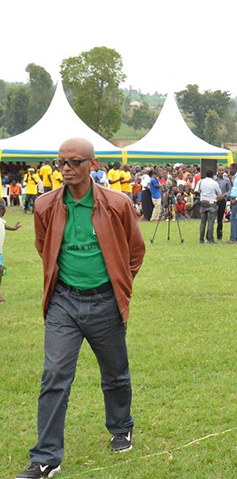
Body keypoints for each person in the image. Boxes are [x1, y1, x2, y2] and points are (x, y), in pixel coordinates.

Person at [18, 138, 145, 479]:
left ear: (94, 164)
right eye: (62, 162)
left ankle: (121, 426)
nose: (66, 169)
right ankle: (46, 458)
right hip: (64, 302)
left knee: (115, 373)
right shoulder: (45, 206)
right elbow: (44, 248)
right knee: (55, 376)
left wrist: (119, 281)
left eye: (75, 162)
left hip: (106, 300)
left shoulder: (117, 204)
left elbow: (135, 250)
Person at [0, 198, 22, 302]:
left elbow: (3, 225)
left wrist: (14, 228)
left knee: (0, 270)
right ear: (3, 209)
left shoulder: (1, 221)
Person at [197, 170, 224, 243]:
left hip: (203, 202)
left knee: (203, 222)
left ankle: (201, 239)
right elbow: (219, 193)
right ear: (212, 175)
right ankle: (210, 239)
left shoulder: (201, 182)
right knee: (210, 222)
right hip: (211, 203)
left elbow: (197, 190)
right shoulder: (214, 183)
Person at [215, 166, 232, 241]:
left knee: (220, 218)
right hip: (214, 200)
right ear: (217, 171)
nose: (221, 172)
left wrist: (224, 195)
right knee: (211, 218)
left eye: (222, 170)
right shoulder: (213, 179)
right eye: (219, 170)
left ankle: (219, 236)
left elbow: (229, 190)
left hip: (222, 200)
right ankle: (209, 236)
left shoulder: (226, 180)